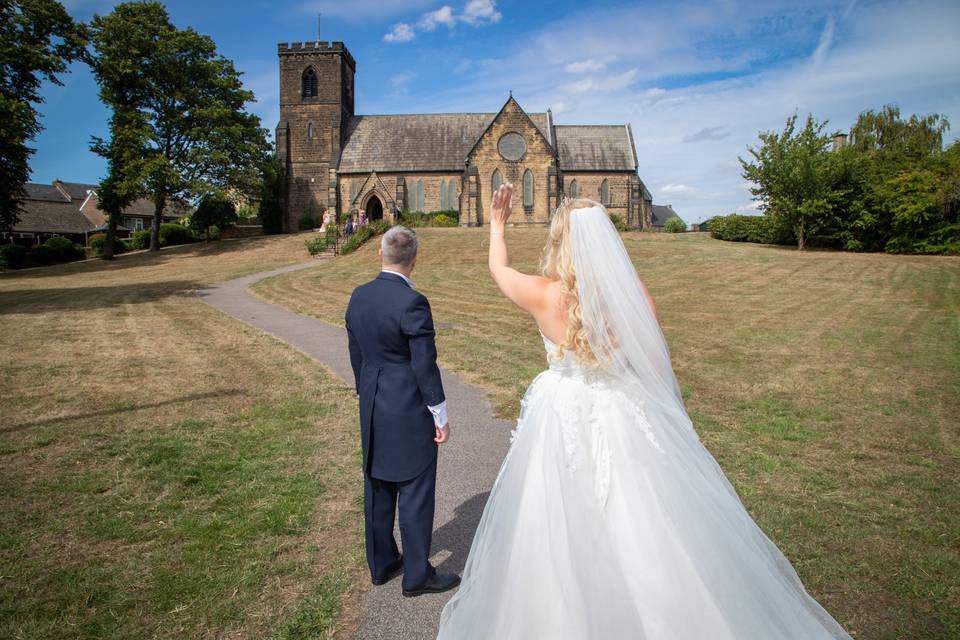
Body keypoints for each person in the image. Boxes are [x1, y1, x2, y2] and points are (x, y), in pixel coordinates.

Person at [435, 185, 852, 639]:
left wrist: (497, 224)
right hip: (621, 408)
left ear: (560, 242)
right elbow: (654, 366)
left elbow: (498, 269)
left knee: (552, 514)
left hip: (560, 413)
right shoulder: (631, 294)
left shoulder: (542, 294)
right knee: (640, 515)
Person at [345, 226, 462, 597]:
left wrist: (365, 389)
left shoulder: (358, 296)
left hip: (372, 400)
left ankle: (381, 564)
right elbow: (425, 363)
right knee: (414, 486)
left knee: (378, 484)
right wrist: (439, 412)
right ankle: (416, 575)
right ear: (414, 260)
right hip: (407, 405)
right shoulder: (413, 303)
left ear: (380, 255)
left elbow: (356, 354)